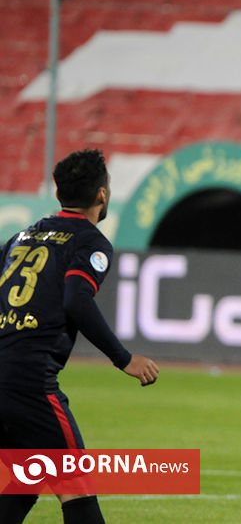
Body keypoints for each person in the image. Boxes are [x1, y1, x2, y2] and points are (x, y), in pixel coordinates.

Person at [0, 148, 159, 524]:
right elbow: (76, 298)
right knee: (76, 488)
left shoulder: (20, 238)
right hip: (29, 383)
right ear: (102, 194)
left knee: (24, 482)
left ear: (58, 193)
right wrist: (123, 358)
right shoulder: (90, 242)